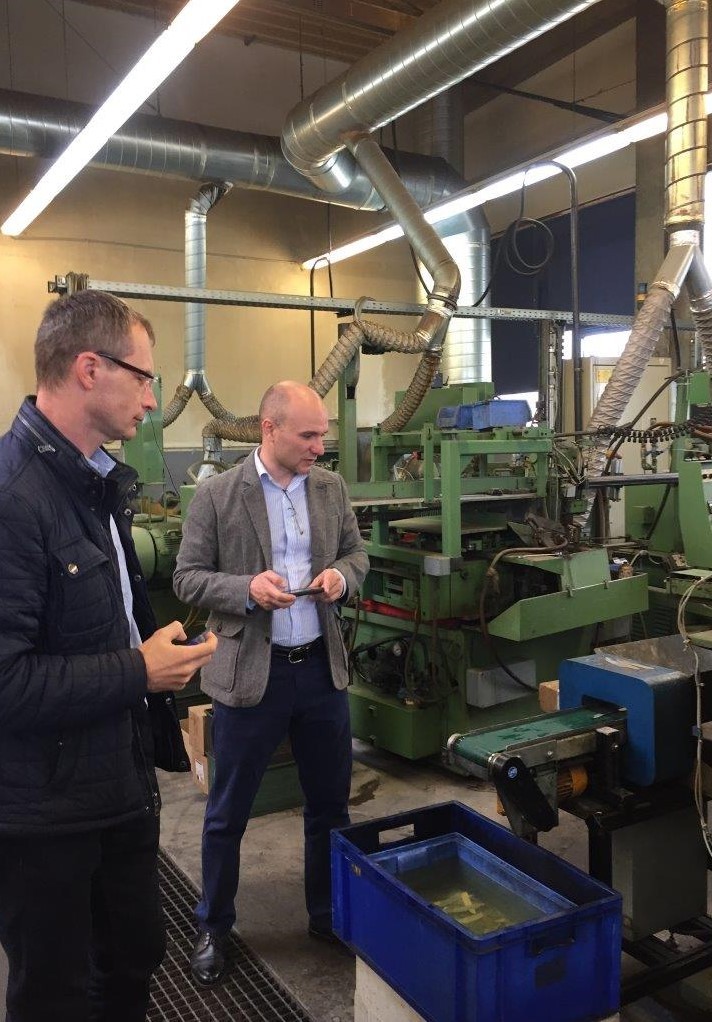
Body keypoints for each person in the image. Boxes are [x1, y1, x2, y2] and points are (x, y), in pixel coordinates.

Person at [0, 290, 217, 1022]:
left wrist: (154, 662)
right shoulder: (13, 499)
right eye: (144, 377)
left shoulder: (96, 485)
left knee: (132, 957)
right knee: (54, 994)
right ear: (90, 369)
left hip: (116, 786)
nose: (153, 400)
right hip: (43, 817)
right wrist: (140, 670)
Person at [174, 380, 369, 986]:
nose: (319, 446)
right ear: (269, 429)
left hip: (320, 672)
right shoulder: (217, 495)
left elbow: (357, 554)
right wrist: (246, 589)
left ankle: (326, 915)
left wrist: (341, 577)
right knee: (227, 813)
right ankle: (213, 925)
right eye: (308, 435)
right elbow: (187, 577)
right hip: (251, 678)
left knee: (329, 806)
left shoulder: (331, 488)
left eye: (322, 435)